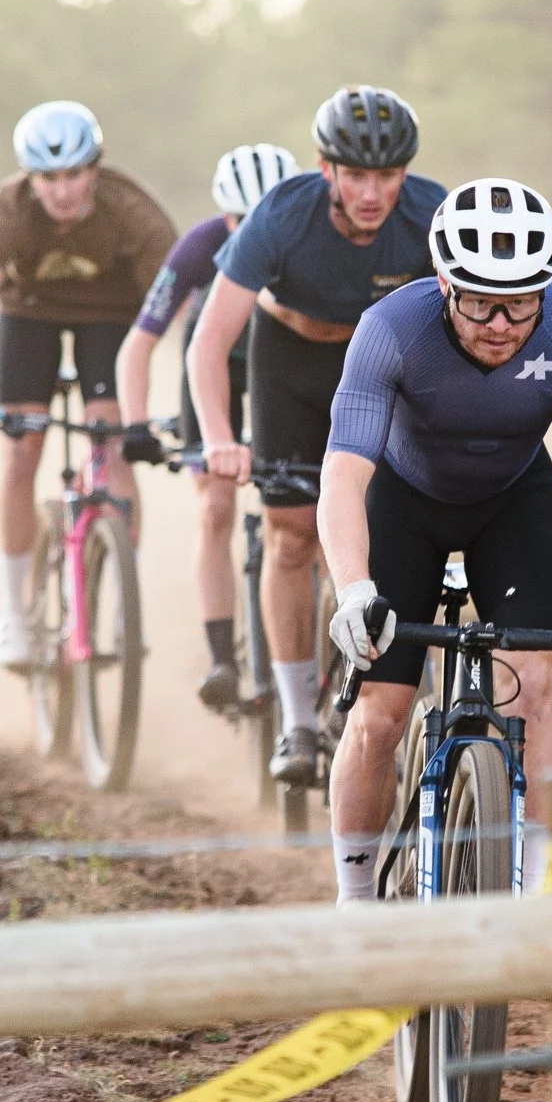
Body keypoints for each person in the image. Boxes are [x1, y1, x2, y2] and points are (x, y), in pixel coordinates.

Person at [317, 179, 552, 905]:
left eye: (521, 304)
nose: (500, 323)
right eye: (479, 303)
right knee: (380, 713)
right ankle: (356, 899)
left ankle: (543, 896)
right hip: (402, 503)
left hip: (511, 505)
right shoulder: (391, 329)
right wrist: (354, 589)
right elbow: (342, 474)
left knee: (534, 694)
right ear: (443, 284)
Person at [191, 86, 443, 784]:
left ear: (406, 173)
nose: (371, 193)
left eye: (387, 176)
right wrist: (219, 436)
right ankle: (298, 720)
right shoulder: (281, 215)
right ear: (325, 168)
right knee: (292, 534)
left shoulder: (429, 215)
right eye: (355, 175)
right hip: (290, 360)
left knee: (390, 528)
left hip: (378, 358)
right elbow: (211, 340)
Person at [0, 101, 178, 669]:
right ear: (31, 177)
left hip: (112, 318)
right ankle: (14, 610)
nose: (61, 190)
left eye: (73, 174)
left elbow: (180, 306)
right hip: (28, 315)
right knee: (22, 449)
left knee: (113, 440)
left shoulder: (133, 211)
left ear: (94, 170)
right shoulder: (10, 209)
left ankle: (125, 596)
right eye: (48, 178)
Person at [114, 143, 301, 711]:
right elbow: (139, 344)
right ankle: (222, 655)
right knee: (215, 507)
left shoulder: (311, 242)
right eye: (242, 220)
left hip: (283, 372)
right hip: (214, 368)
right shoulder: (199, 246)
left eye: (270, 215)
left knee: (306, 516)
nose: (257, 231)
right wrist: (135, 425)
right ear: (225, 218)